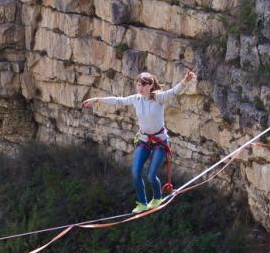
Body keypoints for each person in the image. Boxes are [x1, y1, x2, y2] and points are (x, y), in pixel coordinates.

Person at [82, 70, 196, 213]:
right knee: (135, 172)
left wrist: (185, 80)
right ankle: (142, 203)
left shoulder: (158, 98)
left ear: (150, 85)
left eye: (143, 85)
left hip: (160, 142)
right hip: (144, 140)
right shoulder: (136, 99)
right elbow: (118, 100)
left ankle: (157, 198)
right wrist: (96, 99)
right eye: (138, 85)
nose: (140, 88)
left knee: (150, 175)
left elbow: (173, 92)